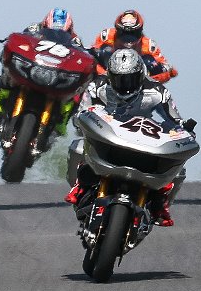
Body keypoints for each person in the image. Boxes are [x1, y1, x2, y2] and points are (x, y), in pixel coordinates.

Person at [65, 49, 193, 226]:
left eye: (129, 79)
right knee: (78, 147)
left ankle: (160, 205)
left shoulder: (158, 91)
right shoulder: (97, 86)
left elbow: (174, 119)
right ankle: (79, 187)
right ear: (110, 75)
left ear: (140, 75)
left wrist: (182, 129)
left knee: (179, 170)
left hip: (142, 139)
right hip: (109, 136)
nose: (124, 84)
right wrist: (84, 119)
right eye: (118, 78)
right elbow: (83, 111)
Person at [0, 8, 86, 136]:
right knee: (7, 65)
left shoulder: (75, 40)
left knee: (78, 90)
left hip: (55, 74)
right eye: (50, 29)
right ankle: (0, 100)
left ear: (70, 29)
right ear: (45, 24)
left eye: (64, 32)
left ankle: (62, 121)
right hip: (34, 66)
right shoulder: (33, 28)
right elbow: (20, 40)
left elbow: (81, 56)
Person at [92, 9, 177, 83]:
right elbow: (92, 56)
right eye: (123, 33)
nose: (128, 41)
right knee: (104, 50)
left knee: (149, 61)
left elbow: (168, 70)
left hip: (137, 82)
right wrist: (104, 74)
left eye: (133, 34)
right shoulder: (106, 36)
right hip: (106, 78)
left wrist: (149, 77)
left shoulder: (149, 46)